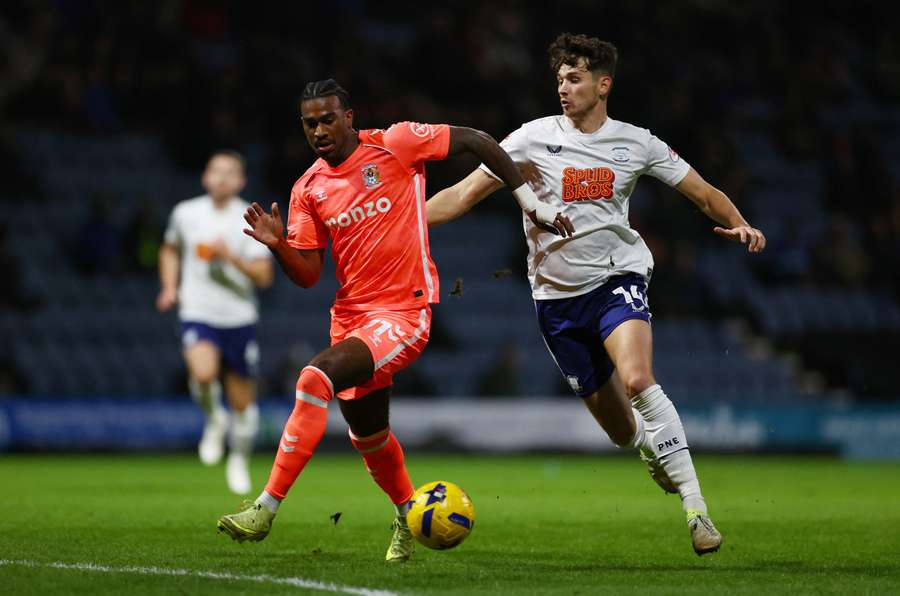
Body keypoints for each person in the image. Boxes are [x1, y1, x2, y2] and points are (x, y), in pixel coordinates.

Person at [426, 33, 767, 556]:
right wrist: (399, 220)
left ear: (603, 84)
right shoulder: (528, 140)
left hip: (617, 279)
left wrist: (739, 223)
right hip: (556, 303)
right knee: (622, 432)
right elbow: (460, 196)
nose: (563, 87)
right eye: (559, 78)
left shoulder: (637, 142)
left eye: (575, 78)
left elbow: (702, 192)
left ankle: (697, 511)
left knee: (638, 378)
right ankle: (655, 449)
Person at [216, 79, 572, 562]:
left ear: (348, 117)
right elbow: (307, 275)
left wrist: (530, 202)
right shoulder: (308, 189)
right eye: (309, 123)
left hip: (404, 314)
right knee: (368, 435)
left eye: (327, 119)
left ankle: (265, 508)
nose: (319, 130)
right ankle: (409, 513)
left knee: (312, 377)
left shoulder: (396, 143)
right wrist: (279, 245)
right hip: (351, 319)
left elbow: (478, 141)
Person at [157, 150, 274, 495]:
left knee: (242, 403)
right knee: (204, 373)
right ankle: (213, 419)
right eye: (215, 171)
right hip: (199, 310)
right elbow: (169, 248)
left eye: (230, 172)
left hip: (239, 316)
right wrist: (169, 287)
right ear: (205, 176)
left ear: (241, 181)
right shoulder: (186, 213)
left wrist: (230, 257)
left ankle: (238, 458)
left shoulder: (250, 217)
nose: (221, 177)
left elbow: (264, 276)